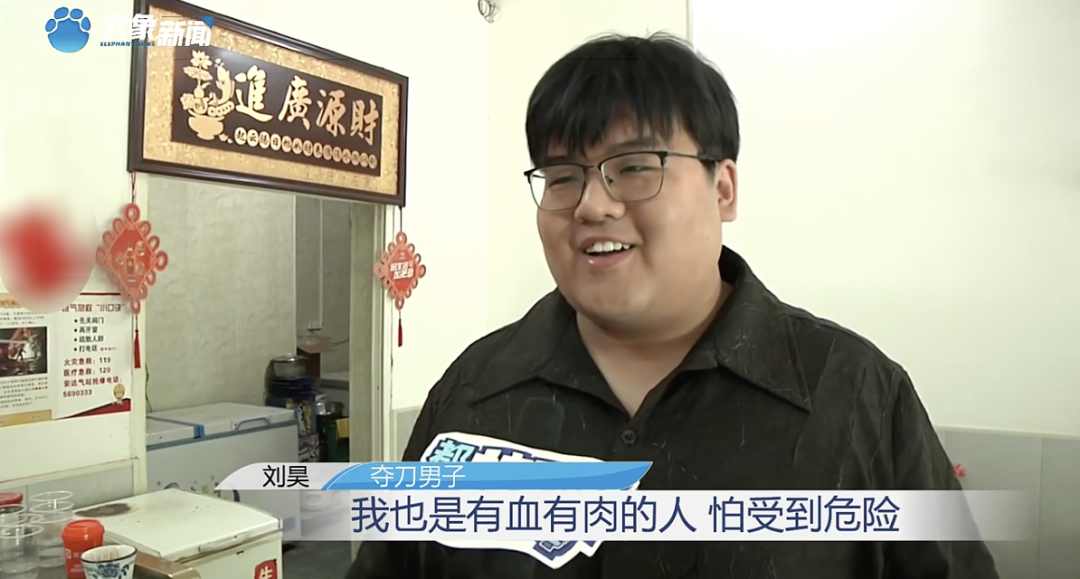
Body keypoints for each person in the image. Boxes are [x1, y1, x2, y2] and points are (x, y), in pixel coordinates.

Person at [346, 33, 999, 579]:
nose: (592, 205)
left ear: (723, 189)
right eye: (563, 176)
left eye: (635, 167)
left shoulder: (857, 396)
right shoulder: (473, 392)